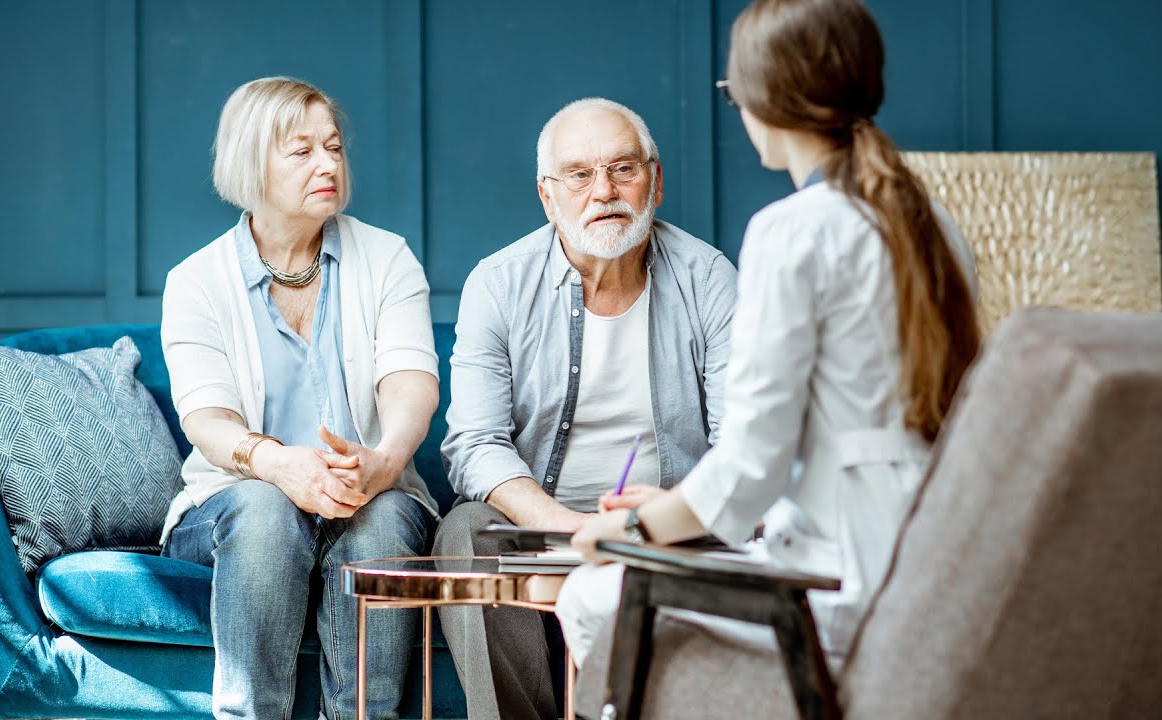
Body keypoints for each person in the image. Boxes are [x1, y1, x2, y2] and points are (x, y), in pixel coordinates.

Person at [559, 0, 982, 679]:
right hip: (938, 562)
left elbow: (753, 463)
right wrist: (678, 507)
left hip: (837, 576)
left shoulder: (793, 231)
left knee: (588, 594)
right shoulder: (932, 221)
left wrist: (630, 530)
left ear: (764, 100)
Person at [437, 97, 738, 720]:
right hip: (535, 526)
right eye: (579, 175)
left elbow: (739, 440)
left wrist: (651, 525)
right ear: (548, 197)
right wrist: (570, 532)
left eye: (623, 169)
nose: (604, 191)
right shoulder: (497, 283)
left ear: (654, 181)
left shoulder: (708, 277)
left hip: (668, 529)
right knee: (464, 532)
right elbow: (474, 443)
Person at [159, 76, 440, 720]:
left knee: (388, 517)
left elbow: (410, 380)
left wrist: (386, 462)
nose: (328, 164)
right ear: (251, 163)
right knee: (262, 509)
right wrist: (280, 464)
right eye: (302, 150)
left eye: (334, 147)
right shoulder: (196, 281)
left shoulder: (387, 257)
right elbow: (207, 417)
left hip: (368, 495)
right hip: (233, 504)